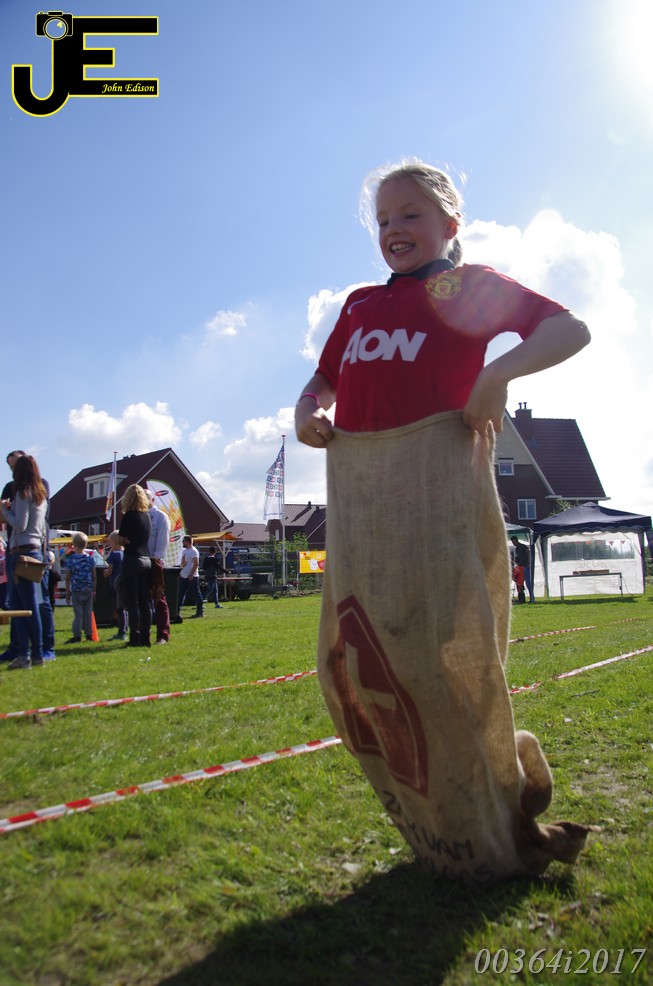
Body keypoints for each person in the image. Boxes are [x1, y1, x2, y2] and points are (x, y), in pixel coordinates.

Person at [295, 160, 592, 883]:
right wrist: (306, 408)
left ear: (449, 224)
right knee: (351, 669)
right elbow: (324, 378)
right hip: (363, 512)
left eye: (410, 215)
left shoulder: (470, 287)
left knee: (441, 667)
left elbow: (569, 330)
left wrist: (495, 376)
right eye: (383, 220)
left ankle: (491, 825)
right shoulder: (359, 306)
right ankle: (458, 817)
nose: (393, 229)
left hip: (439, 502)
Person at [0, 455, 48, 669]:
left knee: (20, 608)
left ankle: (25, 655)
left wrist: (4, 510)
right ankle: (36, 654)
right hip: (35, 551)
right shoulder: (41, 495)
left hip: (20, 552)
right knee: (32, 606)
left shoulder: (22, 492)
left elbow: (20, 524)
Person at [117, 484, 152, 647]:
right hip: (146, 559)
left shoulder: (129, 516)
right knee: (145, 602)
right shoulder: (147, 517)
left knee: (132, 601)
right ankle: (146, 636)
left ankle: (134, 637)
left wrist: (124, 540)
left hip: (132, 559)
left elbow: (120, 539)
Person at [146, 490, 171, 643]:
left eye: (146, 498)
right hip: (140, 561)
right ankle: (144, 634)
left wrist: (156, 558)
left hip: (154, 561)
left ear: (152, 499)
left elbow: (163, 540)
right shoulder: (138, 516)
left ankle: (162, 635)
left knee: (158, 599)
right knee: (143, 600)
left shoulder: (160, 517)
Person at [64, 532, 97, 642]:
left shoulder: (71, 559)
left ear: (73, 544)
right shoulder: (90, 559)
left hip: (76, 589)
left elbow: (67, 577)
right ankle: (89, 634)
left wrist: (67, 592)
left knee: (78, 614)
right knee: (88, 612)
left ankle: (77, 635)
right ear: (86, 544)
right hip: (88, 588)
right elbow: (94, 576)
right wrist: (94, 590)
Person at [105, 531, 128, 641]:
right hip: (125, 583)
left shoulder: (113, 554)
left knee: (118, 608)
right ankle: (126, 628)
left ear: (113, 542)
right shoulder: (125, 554)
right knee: (125, 608)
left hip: (115, 584)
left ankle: (121, 631)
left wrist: (106, 573)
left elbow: (109, 571)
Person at [176, 534, 203, 620]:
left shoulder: (193, 551)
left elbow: (196, 564)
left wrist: (191, 574)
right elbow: (183, 563)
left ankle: (200, 611)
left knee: (196, 594)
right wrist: (181, 571)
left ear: (187, 542)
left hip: (192, 577)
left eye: (183, 541)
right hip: (183, 576)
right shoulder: (185, 551)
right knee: (180, 594)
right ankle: (176, 612)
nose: (182, 543)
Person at [511, 536, 534, 603]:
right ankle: (521, 598)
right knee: (520, 584)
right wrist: (517, 561)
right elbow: (518, 557)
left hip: (525, 566)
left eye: (514, 542)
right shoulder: (516, 549)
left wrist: (529, 561)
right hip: (520, 567)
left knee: (528, 583)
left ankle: (532, 598)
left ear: (517, 540)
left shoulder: (523, 546)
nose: (514, 543)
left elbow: (528, 552)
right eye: (513, 542)